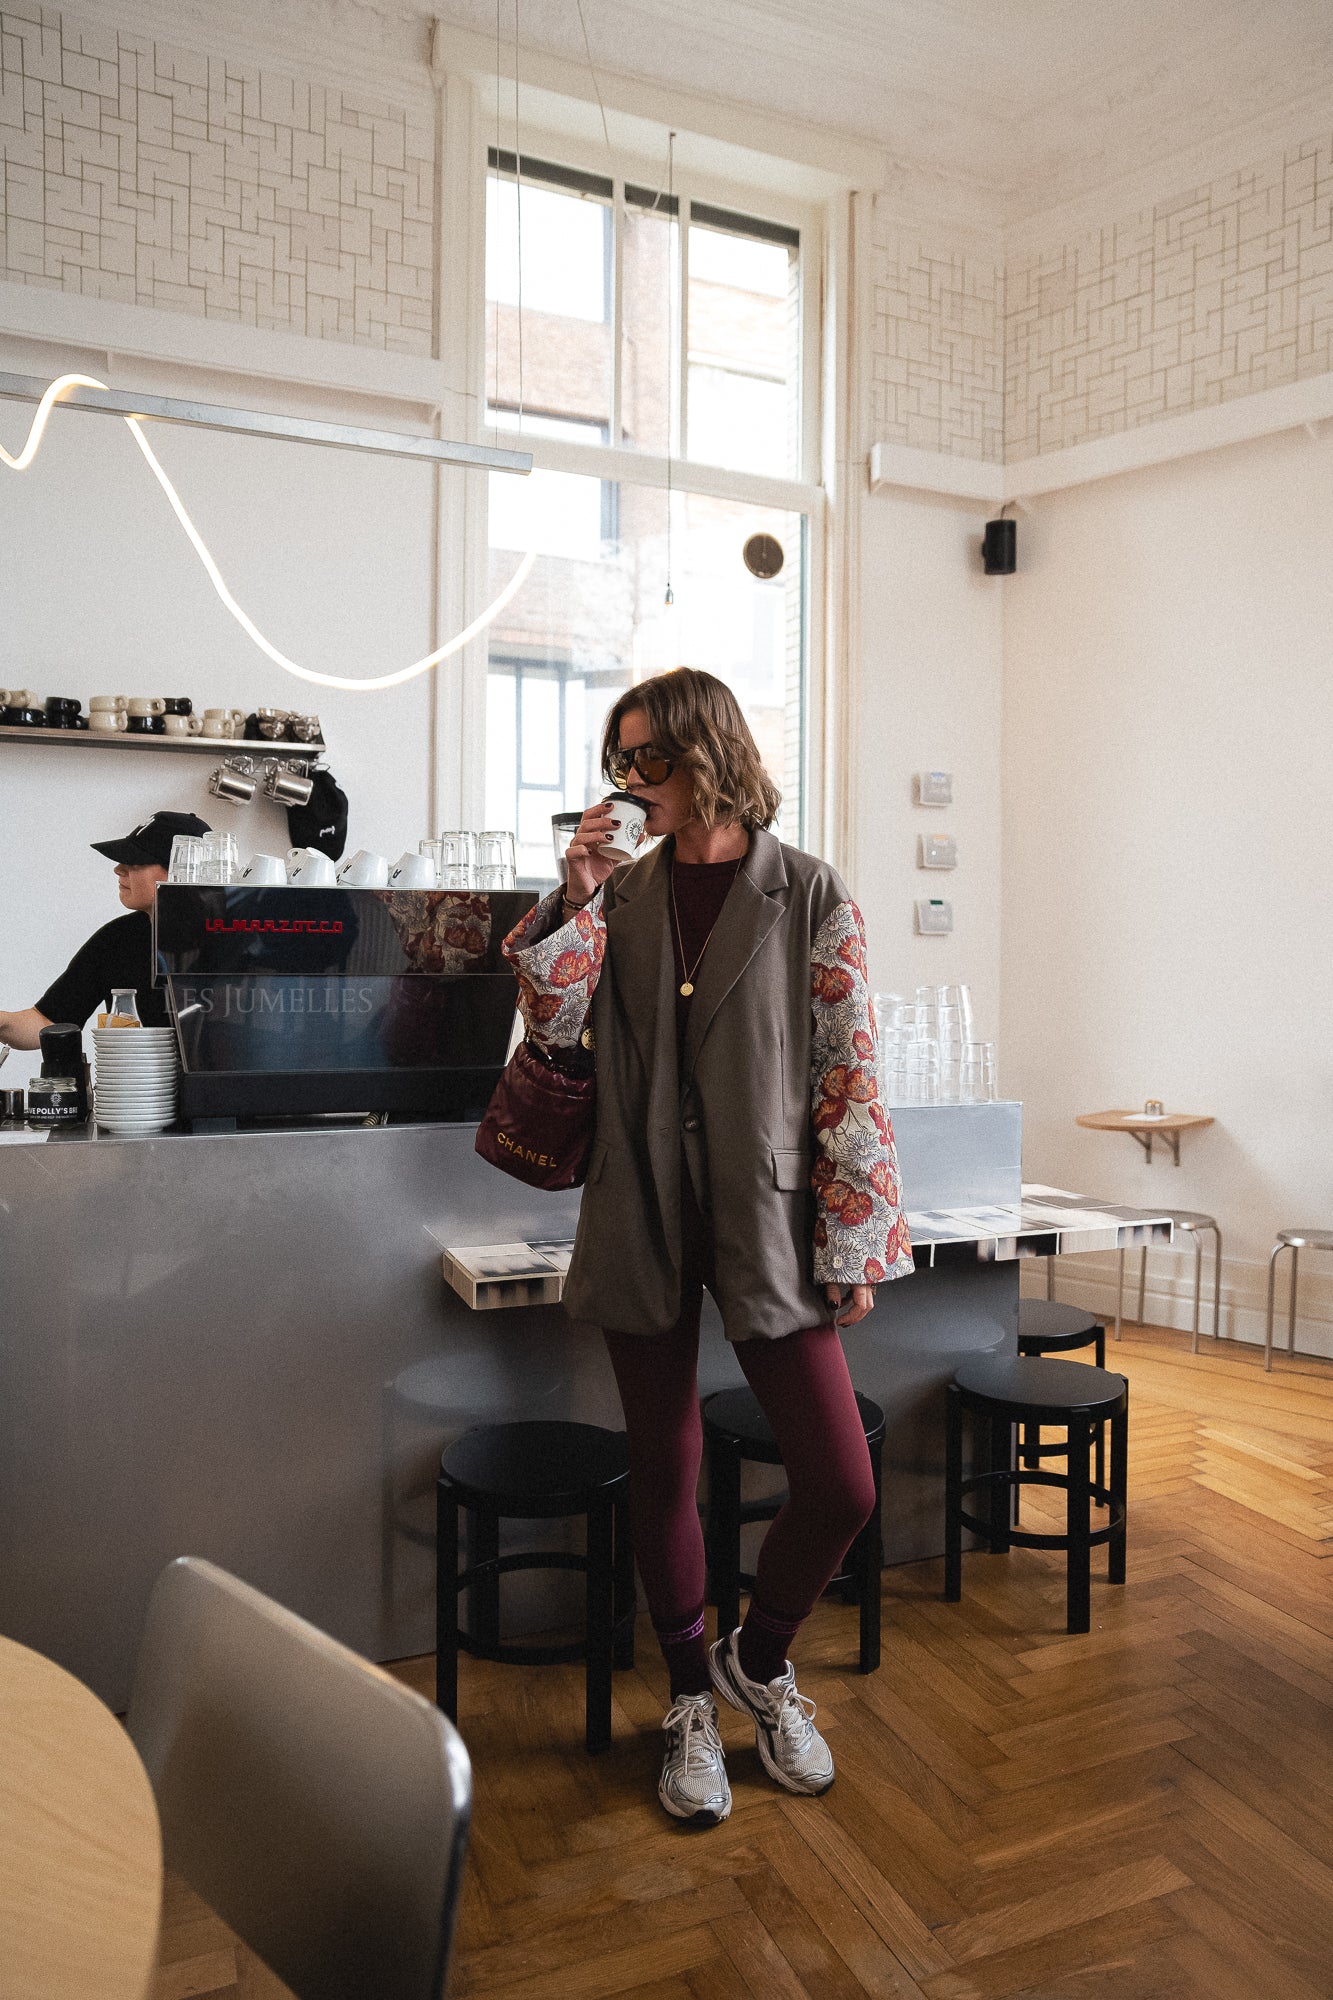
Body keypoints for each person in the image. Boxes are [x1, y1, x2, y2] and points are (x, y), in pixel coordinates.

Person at [503, 668, 911, 1828]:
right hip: (638, 1201)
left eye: (647, 761)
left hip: (769, 1213)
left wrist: (855, 1233)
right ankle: (689, 1696)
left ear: (706, 753)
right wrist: (575, 893)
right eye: (618, 763)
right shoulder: (621, 895)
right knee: (665, 1461)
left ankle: (760, 1659)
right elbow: (554, 1025)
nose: (629, 784)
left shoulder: (808, 890)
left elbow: (847, 1073)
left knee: (839, 1479)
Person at [0, 810, 210, 1048]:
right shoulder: (117, 939)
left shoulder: (232, 939)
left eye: (135, 861)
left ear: (180, 871)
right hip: (138, 1084)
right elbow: (46, 1021)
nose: (119, 869)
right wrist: (4, 1021)